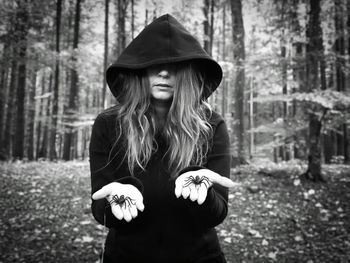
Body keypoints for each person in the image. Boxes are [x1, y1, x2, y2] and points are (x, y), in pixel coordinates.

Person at [90, 14, 238, 263]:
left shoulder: (212, 125)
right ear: (138, 69)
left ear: (189, 73)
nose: (164, 72)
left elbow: (216, 214)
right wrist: (116, 203)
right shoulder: (108, 124)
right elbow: (100, 209)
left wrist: (201, 195)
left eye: (175, 65)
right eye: (153, 63)